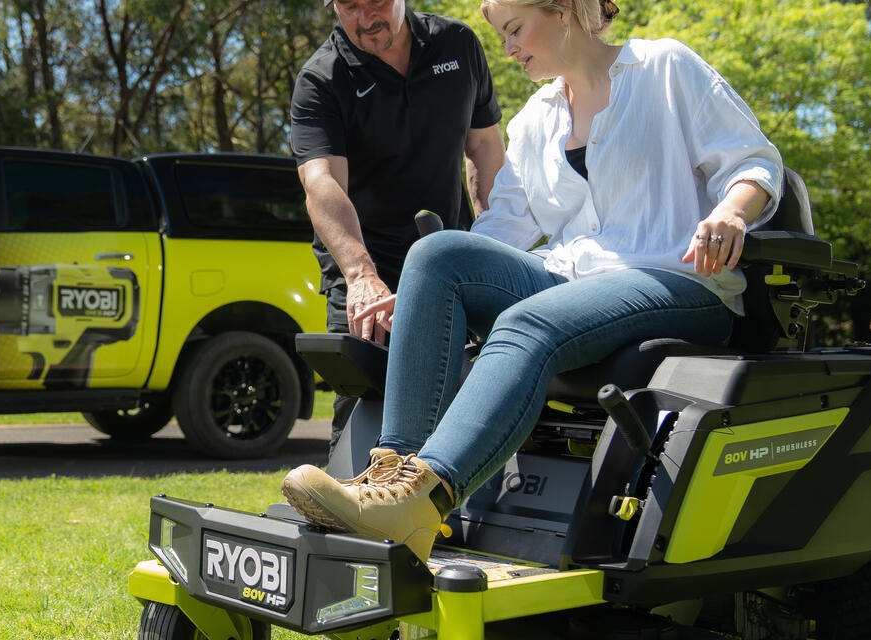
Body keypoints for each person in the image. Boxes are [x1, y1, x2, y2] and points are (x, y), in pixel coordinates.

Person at [281, 0, 784, 561]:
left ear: (563, 10)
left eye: (515, 29)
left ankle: (426, 498)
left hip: (678, 279)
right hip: (576, 282)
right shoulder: (539, 118)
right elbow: (501, 228)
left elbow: (754, 163)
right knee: (436, 253)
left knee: (527, 321)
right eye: (502, 35)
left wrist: (732, 211)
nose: (509, 48)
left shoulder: (664, 68)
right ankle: (392, 476)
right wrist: (426, 293)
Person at [291, 0, 507, 449]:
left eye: (378, 2)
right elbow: (322, 181)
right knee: (365, 422)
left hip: (451, 268)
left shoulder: (458, 44)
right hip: (368, 277)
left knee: (461, 413)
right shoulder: (322, 77)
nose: (367, 17)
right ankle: (350, 518)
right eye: (350, 5)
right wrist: (360, 275)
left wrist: (500, 241)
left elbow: (484, 146)